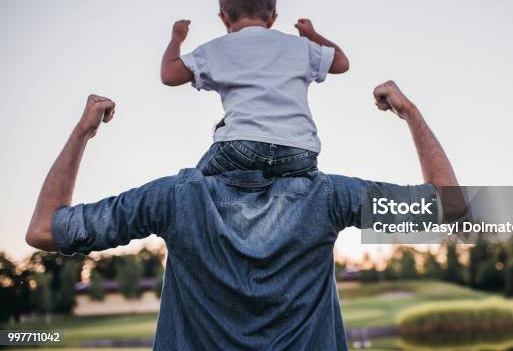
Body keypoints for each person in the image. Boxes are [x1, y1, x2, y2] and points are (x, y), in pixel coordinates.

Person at [26, 81, 462, 350]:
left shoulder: (174, 199)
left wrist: (83, 132)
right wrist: (411, 114)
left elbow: (44, 229)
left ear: (220, 140)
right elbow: (450, 208)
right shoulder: (327, 196)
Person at [160, 0, 350, 177]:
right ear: (273, 18)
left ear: (224, 17)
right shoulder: (299, 46)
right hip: (300, 151)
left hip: (242, 146)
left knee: (194, 184)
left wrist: (177, 39)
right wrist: (312, 35)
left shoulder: (216, 49)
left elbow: (169, 75)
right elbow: (342, 62)